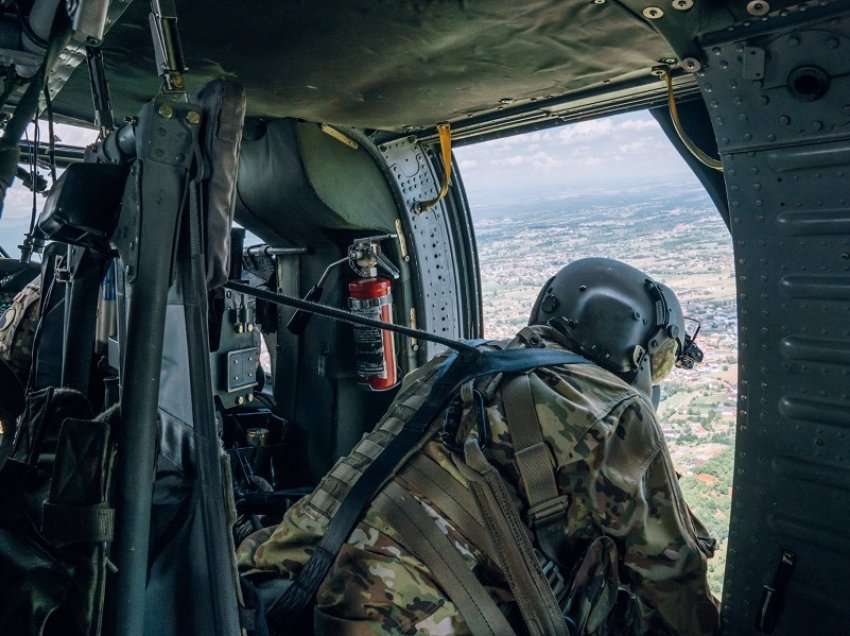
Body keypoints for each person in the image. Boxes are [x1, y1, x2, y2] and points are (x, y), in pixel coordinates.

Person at [239, 257, 720, 635]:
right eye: (659, 362)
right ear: (633, 345)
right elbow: (672, 579)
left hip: (276, 585)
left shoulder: (453, 365)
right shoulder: (613, 410)